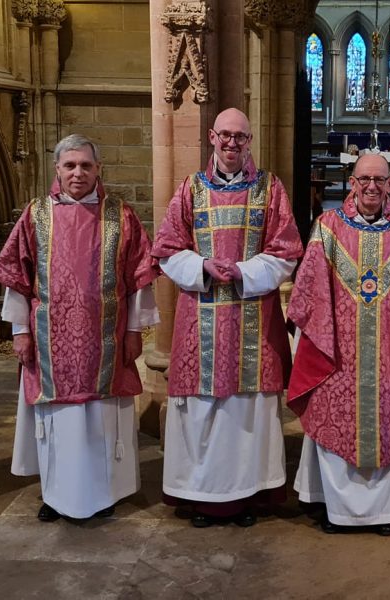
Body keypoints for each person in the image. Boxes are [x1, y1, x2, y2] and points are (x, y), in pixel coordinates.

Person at [0, 134, 159, 522]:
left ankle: (105, 495)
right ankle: (55, 495)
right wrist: (19, 331)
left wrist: (135, 331)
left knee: (100, 420)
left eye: (85, 165)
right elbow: (17, 276)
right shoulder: (36, 215)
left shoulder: (120, 215)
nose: (78, 173)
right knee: (60, 423)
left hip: (107, 338)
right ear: (57, 170)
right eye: (70, 166)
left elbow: (138, 278)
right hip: (52, 342)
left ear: (99, 169)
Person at [152, 108, 303, 528]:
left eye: (241, 137)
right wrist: (201, 266)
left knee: (249, 413)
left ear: (249, 141)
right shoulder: (189, 190)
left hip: (253, 317)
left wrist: (242, 271)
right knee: (203, 412)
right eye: (226, 136)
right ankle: (202, 497)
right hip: (200, 319)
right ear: (211, 137)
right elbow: (165, 247)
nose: (233, 143)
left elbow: (288, 250)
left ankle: (250, 495)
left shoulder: (270, 190)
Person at [287, 154, 390, 536]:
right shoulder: (327, 228)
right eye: (364, 179)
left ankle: (388, 512)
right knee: (335, 420)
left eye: (380, 179)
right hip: (338, 357)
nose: (372, 187)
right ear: (351, 182)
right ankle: (336, 508)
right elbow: (308, 292)